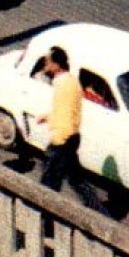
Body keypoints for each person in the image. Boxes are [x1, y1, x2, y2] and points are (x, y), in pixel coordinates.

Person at [37, 47, 104, 214]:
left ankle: (46, 222)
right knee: (76, 179)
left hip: (62, 139)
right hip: (72, 136)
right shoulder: (71, 80)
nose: (45, 64)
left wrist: (57, 141)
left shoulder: (63, 85)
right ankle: (99, 212)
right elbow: (66, 109)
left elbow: (66, 114)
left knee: (48, 184)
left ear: (57, 64)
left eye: (48, 61)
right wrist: (49, 117)